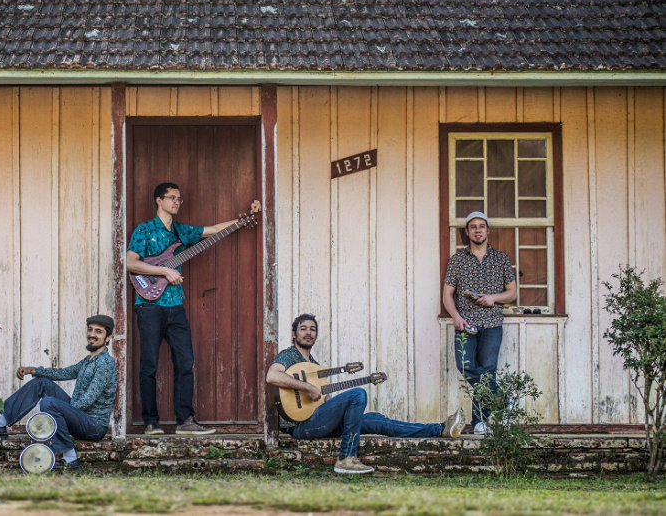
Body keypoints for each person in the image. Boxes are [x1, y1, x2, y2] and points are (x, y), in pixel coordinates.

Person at [126, 181, 260, 435]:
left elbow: (215, 230)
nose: (177, 202)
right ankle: (151, 423)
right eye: (173, 198)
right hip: (149, 305)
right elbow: (130, 263)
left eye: (180, 199)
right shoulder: (144, 230)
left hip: (175, 305)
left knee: (185, 362)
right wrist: (163, 270)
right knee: (149, 365)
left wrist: (245, 220)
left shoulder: (181, 232)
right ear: (159, 200)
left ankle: (185, 421)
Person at [266, 314, 465, 475]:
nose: (308, 333)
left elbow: (324, 402)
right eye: (303, 329)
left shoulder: (314, 366)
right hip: (300, 426)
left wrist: (326, 398)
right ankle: (346, 458)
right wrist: (308, 388)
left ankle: (439, 430)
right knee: (358, 394)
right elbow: (272, 375)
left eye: (312, 329)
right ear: (294, 334)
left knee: (377, 421)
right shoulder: (289, 355)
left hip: (316, 420)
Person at [0, 314, 118, 471]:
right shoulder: (89, 361)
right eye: (90, 330)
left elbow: (88, 399)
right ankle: (0, 424)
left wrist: (64, 410)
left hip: (93, 426)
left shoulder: (105, 363)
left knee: (49, 403)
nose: (92, 335)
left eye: (98, 331)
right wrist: (33, 370)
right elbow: (64, 373)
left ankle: (70, 458)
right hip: (81, 418)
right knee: (42, 382)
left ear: (108, 338)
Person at [442, 211, 517, 435]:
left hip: (492, 323)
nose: (477, 230)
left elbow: (512, 293)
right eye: (473, 226)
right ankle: (501, 399)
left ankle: (479, 422)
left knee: (488, 371)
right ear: (467, 232)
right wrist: (456, 316)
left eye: (481, 226)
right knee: (465, 366)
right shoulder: (457, 260)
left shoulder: (501, 258)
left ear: (488, 230)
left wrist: (494, 298)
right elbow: (447, 295)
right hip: (466, 324)